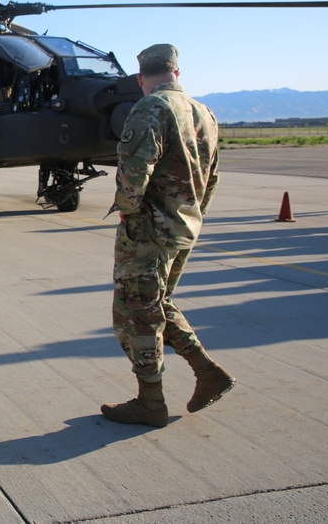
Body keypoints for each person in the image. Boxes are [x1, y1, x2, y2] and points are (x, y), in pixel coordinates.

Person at [101, 43, 235, 428]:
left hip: (148, 231)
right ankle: (206, 371)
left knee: (135, 314)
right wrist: (193, 217)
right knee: (156, 303)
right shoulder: (203, 112)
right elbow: (211, 178)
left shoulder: (149, 108)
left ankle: (150, 402)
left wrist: (128, 214)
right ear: (177, 74)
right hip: (184, 227)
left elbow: (134, 172)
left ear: (141, 79)